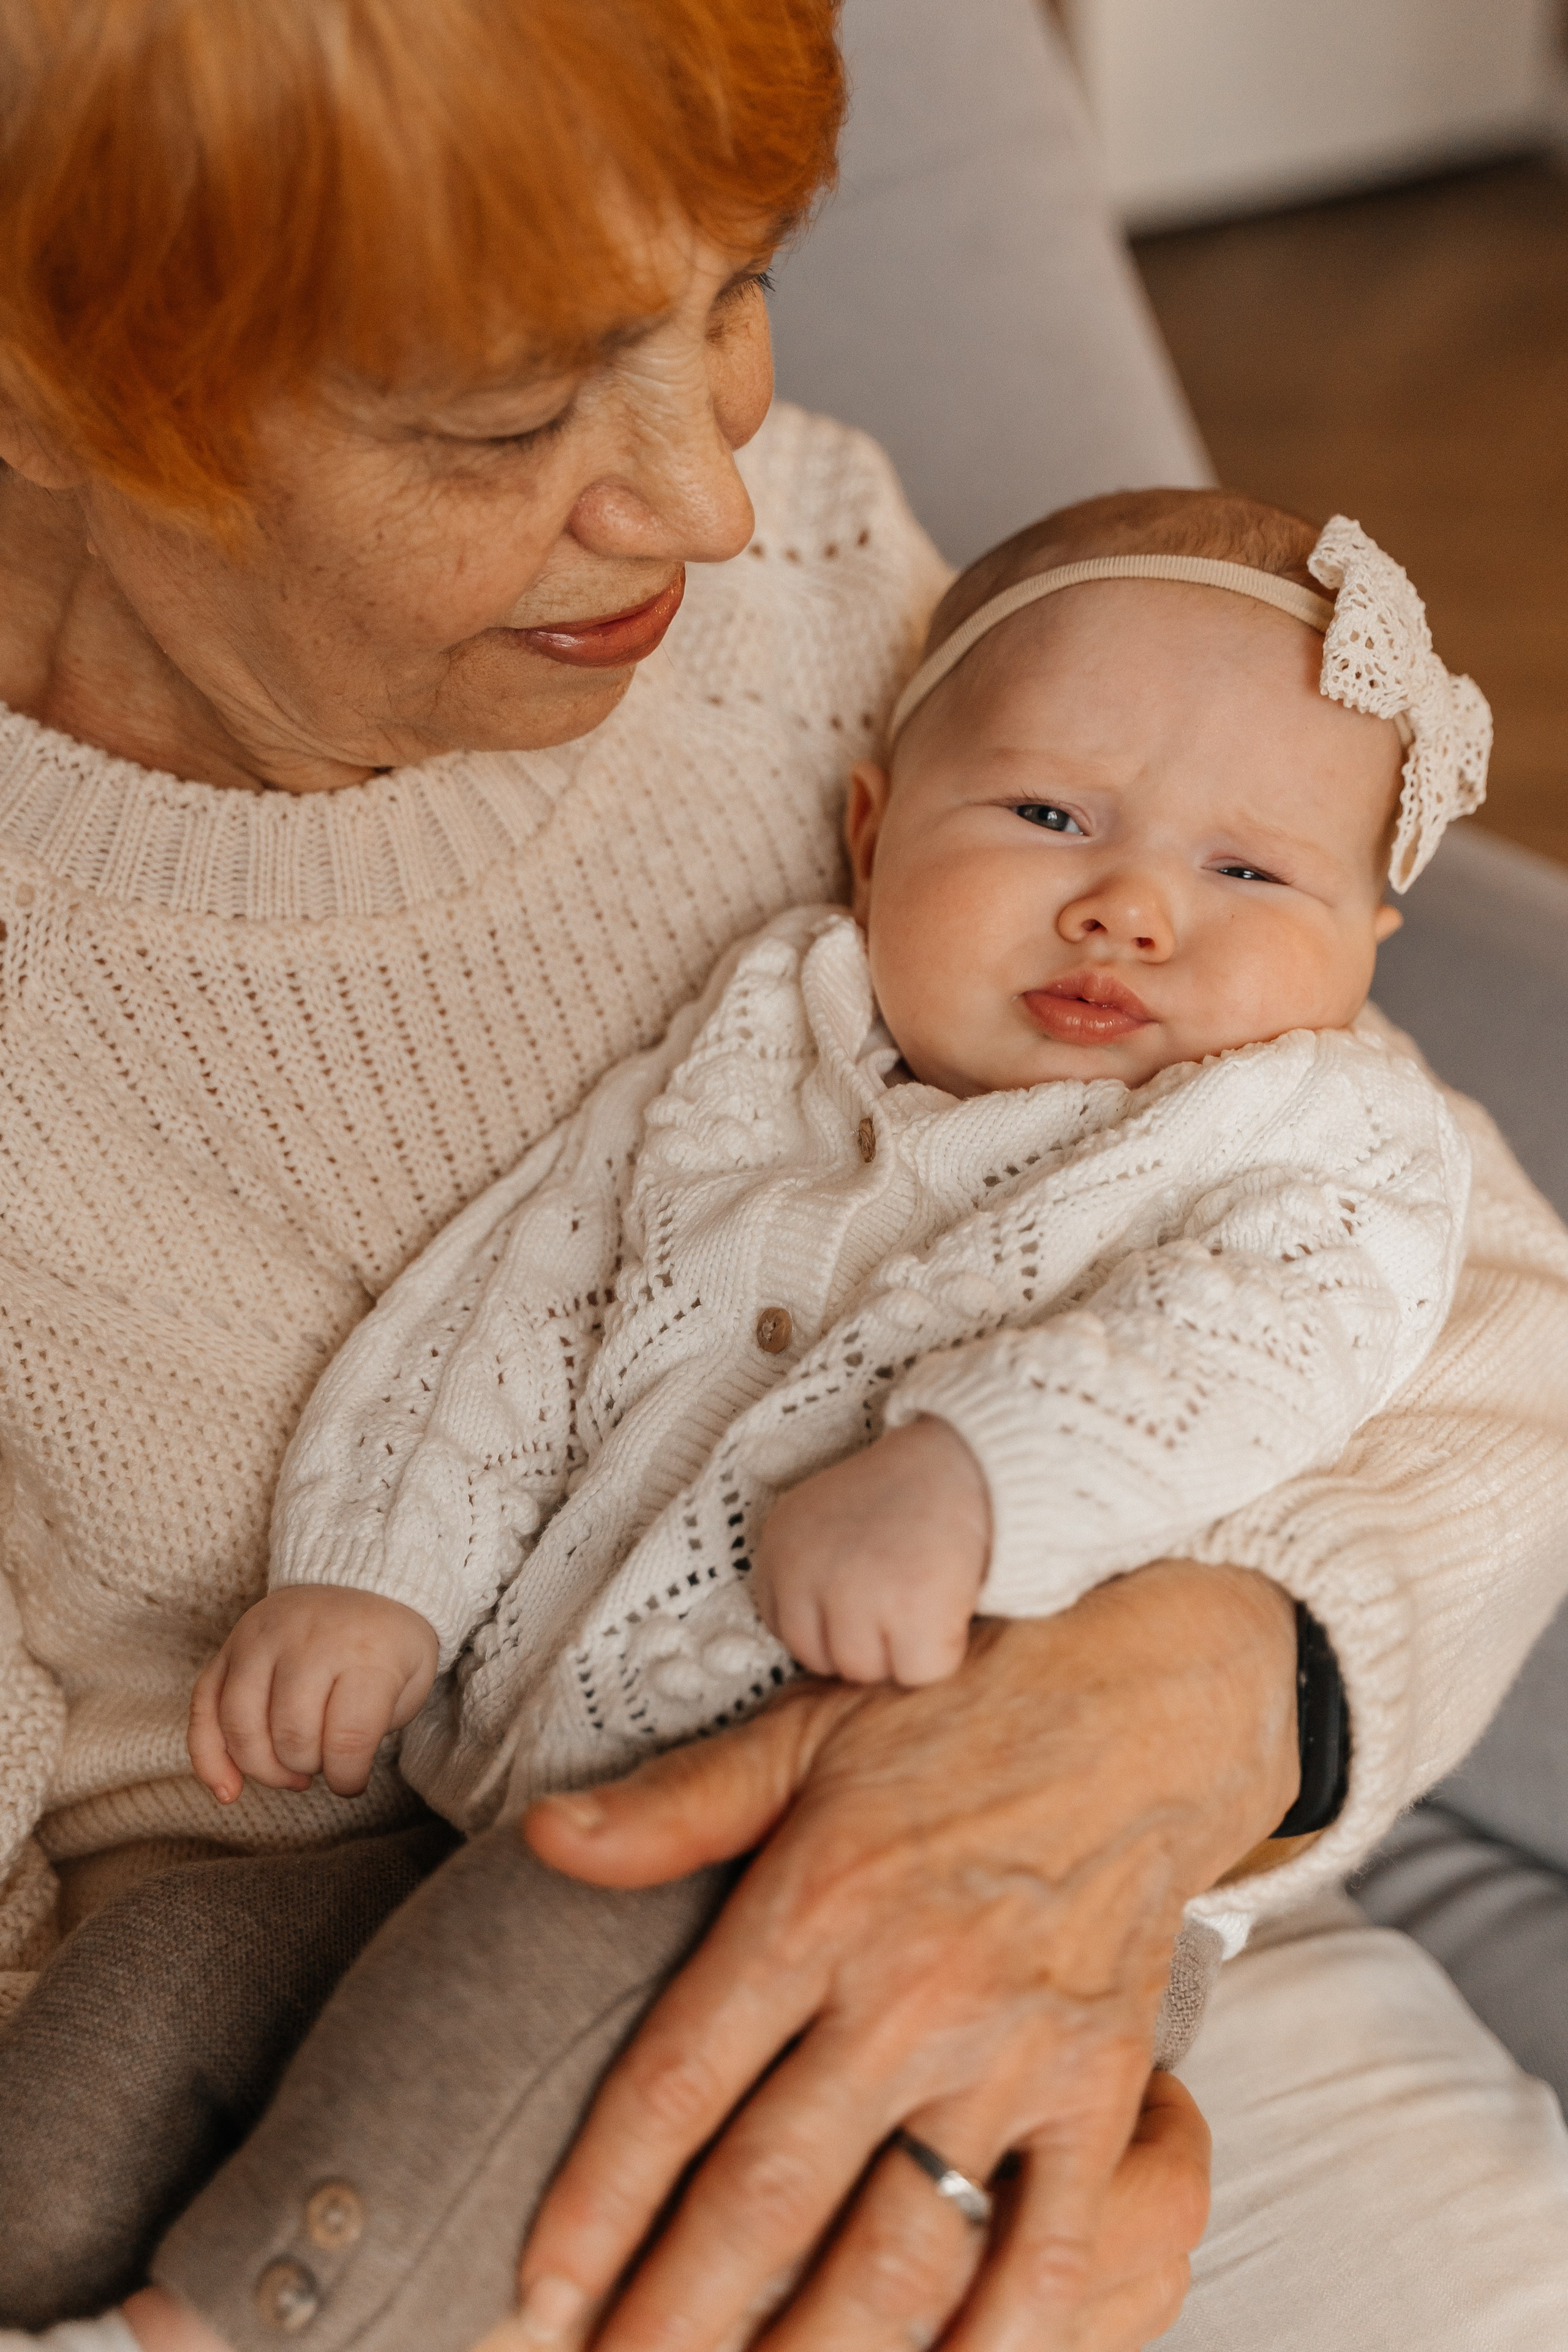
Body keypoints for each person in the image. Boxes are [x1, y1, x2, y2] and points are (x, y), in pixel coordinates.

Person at [2, 7, 1568, 2352]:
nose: (706, 502)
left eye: (730, 298)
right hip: (315, 2035)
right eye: (509, 416)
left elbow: (1437, 1283)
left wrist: (1204, 1695)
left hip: (1077, 1873)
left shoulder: (818, 592)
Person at [187, 489, 1472, 1833]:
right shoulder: (761, 1039)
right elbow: (530, 1297)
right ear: (871, 835)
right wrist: (381, 1575)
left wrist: (976, 1473)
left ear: (1361, 948)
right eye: (1045, 815)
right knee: (150, 1979)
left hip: (904, 1834)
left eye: (1249, 875)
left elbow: (1264, 1345)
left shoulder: (1313, 1131)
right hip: (479, 1795)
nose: (1129, 910)